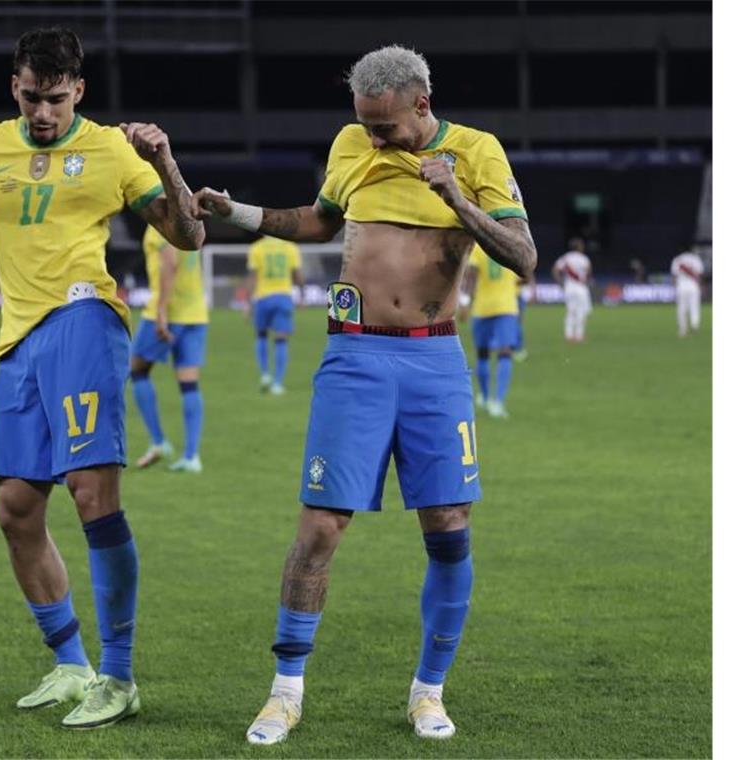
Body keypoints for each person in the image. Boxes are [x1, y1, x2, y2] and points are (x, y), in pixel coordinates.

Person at [194, 43, 536, 743]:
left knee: (447, 528)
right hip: (354, 356)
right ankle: (284, 691)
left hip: (434, 359)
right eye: (365, 125)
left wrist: (456, 199)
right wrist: (238, 212)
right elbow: (318, 221)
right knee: (319, 528)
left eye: (385, 127)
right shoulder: (350, 142)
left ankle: (429, 693)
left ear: (422, 102)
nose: (373, 138)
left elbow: (523, 257)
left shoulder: (477, 152)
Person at [0, 27, 203, 729]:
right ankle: (71, 663)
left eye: (58, 99)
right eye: (34, 97)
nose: (44, 113)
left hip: (83, 316)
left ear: (80, 92)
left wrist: (164, 161)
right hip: (18, 339)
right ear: (15, 86)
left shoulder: (107, 148)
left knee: (92, 492)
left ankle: (121, 676)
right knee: (15, 508)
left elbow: (188, 234)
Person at [131, 225, 208, 473]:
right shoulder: (189, 222)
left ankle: (158, 441)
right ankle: (191, 456)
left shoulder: (159, 226)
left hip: (165, 312)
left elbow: (169, 264)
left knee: (137, 370)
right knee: (189, 383)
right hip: (195, 312)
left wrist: (162, 310)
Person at [459, 244, 520, 419]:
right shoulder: (511, 245)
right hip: (507, 306)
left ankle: (488, 399)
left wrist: (464, 301)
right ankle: (495, 401)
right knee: (504, 352)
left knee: (484, 354)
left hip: (483, 307)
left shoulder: (479, 246)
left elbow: (470, 276)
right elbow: (522, 273)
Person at [246, 235, 303, 394]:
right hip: (283, 297)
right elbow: (297, 274)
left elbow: (252, 277)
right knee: (281, 339)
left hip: (262, 298)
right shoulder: (291, 247)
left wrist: (249, 303)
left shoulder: (256, 248)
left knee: (261, 335)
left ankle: (265, 374)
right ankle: (277, 383)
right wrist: (302, 295)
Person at [552, 238, 592, 343]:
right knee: (581, 312)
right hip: (580, 287)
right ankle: (579, 335)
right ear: (579, 247)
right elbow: (588, 272)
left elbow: (555, 269)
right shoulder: (584, 258)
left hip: (569, 287)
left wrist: (560, 283)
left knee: (570, 312)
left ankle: (568, 335)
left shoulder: (566, 258)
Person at [671, 248, 705, 337]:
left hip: (681, 286)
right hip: (693, 286)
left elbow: (674, 276)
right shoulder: (695, 259)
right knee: (694, 307)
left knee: (681, 309)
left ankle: (682, 330)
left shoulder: (677, 259)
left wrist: (675, 286)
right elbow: (700, 274)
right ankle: (694, 325)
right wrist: (701, 286)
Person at [513, 271, 534, 362]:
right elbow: (527, 276)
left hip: (512, 295)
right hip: (514, 295)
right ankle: (518, 349)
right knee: (517, 323)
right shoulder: (514, 261)